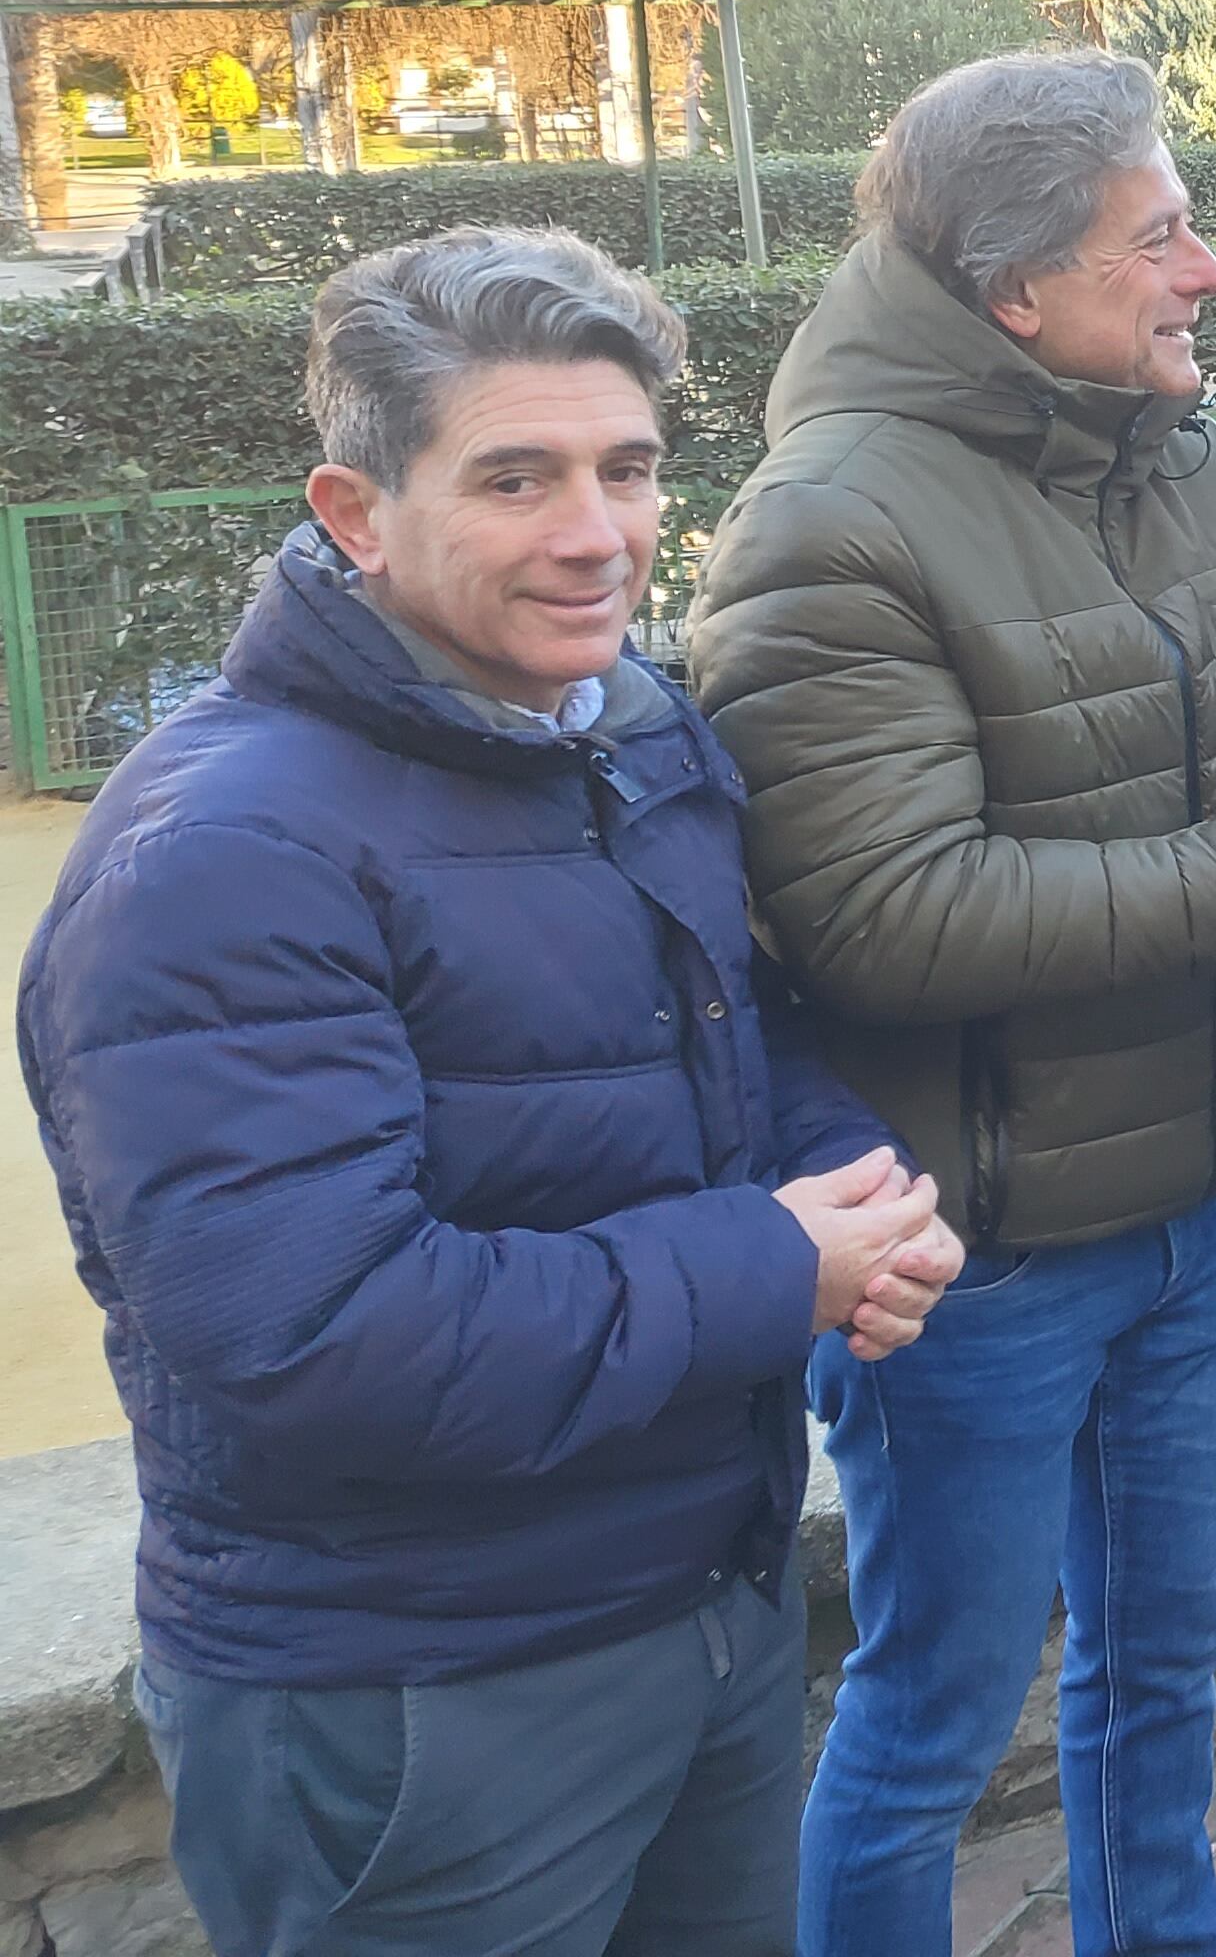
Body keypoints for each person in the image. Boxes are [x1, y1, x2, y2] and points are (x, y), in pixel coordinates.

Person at [19, 227, 958, 1956]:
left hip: (699, 1611)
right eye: (516, 477)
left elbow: (736, 1038)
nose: (596, 533)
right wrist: (775, 1267)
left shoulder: (632, 727)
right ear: (355, 512)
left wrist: (858, 1187)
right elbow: (319, 1335)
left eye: (627, 469)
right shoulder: (224, 859)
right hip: (412, 1693)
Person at [686, 52, 1216, 1957]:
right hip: (973, 1257)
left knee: (1162, 1670)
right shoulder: (832, 524)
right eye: (1160, 237)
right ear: (1012, 297)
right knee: (928, 1727)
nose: (1207, 271)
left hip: (1182, 1206)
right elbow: (884, 917)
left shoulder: (1176, 445)